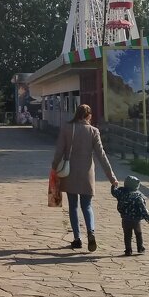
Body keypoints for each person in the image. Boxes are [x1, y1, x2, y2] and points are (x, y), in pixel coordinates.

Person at [51, 104, 118, 251]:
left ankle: (77, 238)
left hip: (70, 173)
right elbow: (102, 156)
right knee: (87, 206)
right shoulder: (94, 131)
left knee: (73, 206)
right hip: (87, 174)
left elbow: (59, 151)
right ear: (89, 116)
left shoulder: (67, 128)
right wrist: (112, 177)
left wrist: (54, 167)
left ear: (77, 114)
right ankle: (91, 232)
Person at [112, 175, 149, 255]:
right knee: (138, 233)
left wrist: (114, 185)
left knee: (127, 234)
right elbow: (142, 208)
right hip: (136, 219)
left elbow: (114, 192)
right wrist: (147, 217)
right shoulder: (138, 196)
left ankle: (128, 250)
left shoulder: (121, 193)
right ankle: (140, 248)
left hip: (125, 218)